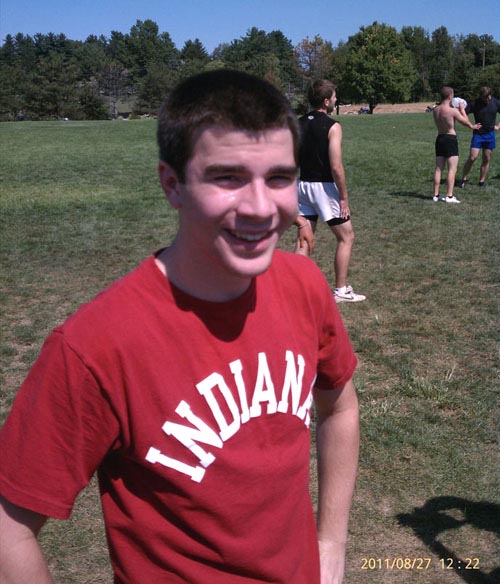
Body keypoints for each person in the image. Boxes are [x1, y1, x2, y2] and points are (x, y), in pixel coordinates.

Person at [0, 70, 360, 584]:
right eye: (228, 177)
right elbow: (8, 527)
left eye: (279, 178)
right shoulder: (96, 346)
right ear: (172, 184)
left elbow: (339, 408)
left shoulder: (304, 285)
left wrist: (331, 544)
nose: (261, 207)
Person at [295, 79, 366, 303]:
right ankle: (341, 291)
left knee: (304, 239)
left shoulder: (297, 124)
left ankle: (293, 293)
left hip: (302, 186)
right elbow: (336, 167)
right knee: (346, 237)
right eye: (334, 96)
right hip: (324, 188)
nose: (336, 99)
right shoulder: (333, 126)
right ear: (326, 101)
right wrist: (343, 198)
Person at [432, 86, 480, 203]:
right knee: (452, 169)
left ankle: (436, 195)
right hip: (450, 139)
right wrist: (462, 110)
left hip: (440, 138)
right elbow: (465, 121)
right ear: (450, 96)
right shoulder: (452, 111)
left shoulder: (436, 110)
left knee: (438, 168)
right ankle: (449, 196)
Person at [459, 86, 500, 188]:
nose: (486, 100)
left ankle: (481, 181)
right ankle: (463, 178)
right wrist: (471, 125)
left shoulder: (496, 102)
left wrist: (498, 126)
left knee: (486, 158)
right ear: (480, 96)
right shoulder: (475, 103)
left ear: (490, 95)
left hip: (490, 134)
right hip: (478, 134)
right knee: (472, 157)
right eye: (484, 98)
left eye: (487, 97)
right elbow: (462, 114)